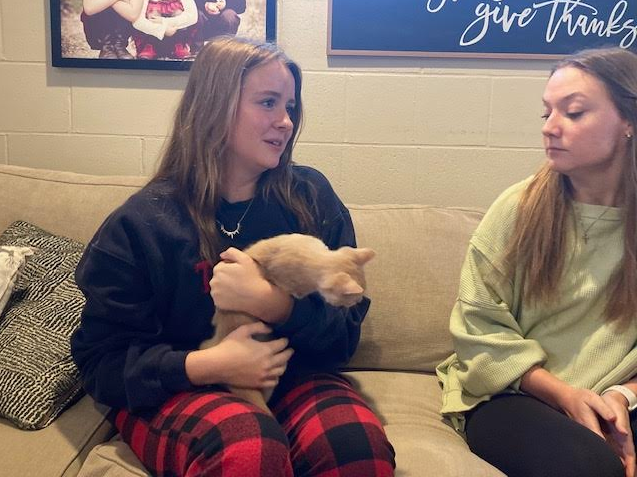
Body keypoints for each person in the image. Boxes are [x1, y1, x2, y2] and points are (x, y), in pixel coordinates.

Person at [71, 36, 395, 477]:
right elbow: (99, 364)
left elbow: (343, 340)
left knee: (356, 447)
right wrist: (211, 364)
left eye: (290, 107)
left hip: (293, 378)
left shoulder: (310, 197)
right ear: (214, 106)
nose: (285, 121)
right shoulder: (142, 224)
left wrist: (274, 305)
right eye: (267, 102)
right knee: (248, 449)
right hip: (179, 387)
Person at [436, 46, 637, 477]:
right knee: (590, 466)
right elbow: (477, 328)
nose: (550, 128)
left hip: (618, 394)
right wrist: (565, 394)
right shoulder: (519, 208)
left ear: (628, 122)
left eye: (574, 112)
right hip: (513, 393)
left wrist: (621, 396)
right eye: (546, 113)